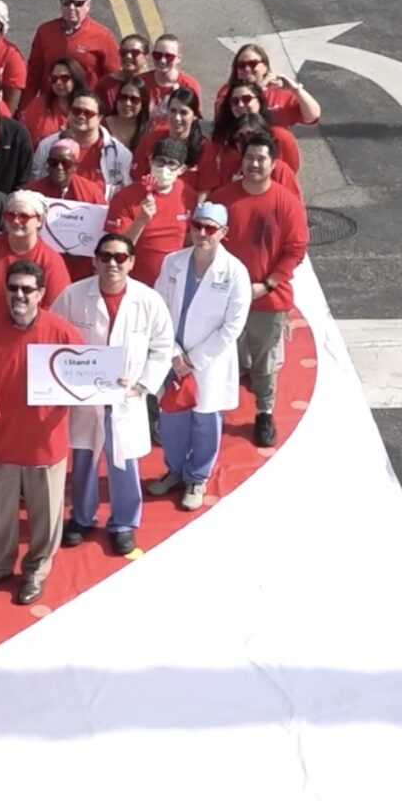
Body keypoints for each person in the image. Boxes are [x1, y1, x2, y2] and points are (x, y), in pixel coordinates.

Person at [54, 234, 176, 558]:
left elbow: (163, 347)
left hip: (126, 397)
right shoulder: (72, 295)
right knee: (83, 459)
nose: (112, 264)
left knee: (125, 464)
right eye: (105, 257)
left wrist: (142, 385)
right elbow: (52, 337)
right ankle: (81, 518)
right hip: (86, 398)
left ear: (131, 262)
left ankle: (123, 523)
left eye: (120, 258)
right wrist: (67, 378)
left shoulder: (148, 301)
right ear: (94, 260)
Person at [0, 260, 82, 604]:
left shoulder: (62, 332)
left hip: (45, 443)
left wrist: (110, 382)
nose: (18, 295)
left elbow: (86, 377)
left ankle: (36, 571)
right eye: (13, 288)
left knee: (46, 518)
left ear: (41, 294)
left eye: (26, 289)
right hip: (1, 441)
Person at [149, 202, 252, 511]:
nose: (202, 234)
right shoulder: (173, 263)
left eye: (210, 228)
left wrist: (193, 359)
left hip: (209, 362)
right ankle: (176, 470)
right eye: (197, 226)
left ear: (223, 233)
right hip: (173, 356)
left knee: (205, 420)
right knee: (171, 420)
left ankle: (198, 476)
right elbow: (159, 309)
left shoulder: (235, 272)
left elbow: (233, 325)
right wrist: (175, 354)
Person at [209, 135, 308, 448]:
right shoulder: (222, 198)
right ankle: (213, 411)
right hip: (224, 299)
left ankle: (264, 412)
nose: (254, 164)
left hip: (267, 300)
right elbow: (208, 240)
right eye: (249, 157)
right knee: (221, 356)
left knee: (264, 363)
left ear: (273, 163)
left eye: (261, 158)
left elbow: (295, 249)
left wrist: (266, 284)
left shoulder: (286, 202)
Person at [104, 137, 200, 287]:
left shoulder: (188, 196)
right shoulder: (125, 198)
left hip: (175, 284)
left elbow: (189, 238)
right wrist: (141, 220)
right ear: (150, 161)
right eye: (160, 161)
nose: (164, 169)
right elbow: (117, 249)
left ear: (182, 170)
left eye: (172, 164)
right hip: (136, 284)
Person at [0, 190, 72, 318]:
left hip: (32, 334)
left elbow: (55, 310)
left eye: (23, 216)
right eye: (11, 215)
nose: (16, 221)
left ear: (39, 220)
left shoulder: (51, 260)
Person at [33, 89, 133, 195]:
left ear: (99, 118)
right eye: (76, 111)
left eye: (88, 113)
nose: (81, 116)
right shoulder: (47, 146)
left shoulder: (120, 154)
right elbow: (35, 180)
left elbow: (125, 192)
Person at [27, 0, 121, 89]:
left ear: (88, 5)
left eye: (78, 4)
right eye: (66, 2)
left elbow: (113, 78)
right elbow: (34, 73)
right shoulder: (45, 31)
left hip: (85, 101)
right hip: (51, 101)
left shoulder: (103, 36)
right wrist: (27, 104)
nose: (71, 8)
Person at [217, 43, 323, 128]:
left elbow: (312, 117)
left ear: (265, 66)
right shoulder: (227, 92)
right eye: (241, 65)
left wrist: (296, 89)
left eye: (253, 64)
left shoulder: (281, 92)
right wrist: (260, 88)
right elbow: (221, 115)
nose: (247, 69)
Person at [19, 57, 91, 145]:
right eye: (54, 78)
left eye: (64, 78)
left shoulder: (88, 107)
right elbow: (21, 137)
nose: (58, 82)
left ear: (76, 79)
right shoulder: (38, 105)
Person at [24, 136, 103, 203]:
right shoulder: (31, 192)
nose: (59, 167)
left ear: (75, 166)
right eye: (53, 162)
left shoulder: (92, 193)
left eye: (65, 163)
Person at [143, 34, 203, 118]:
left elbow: (195, 118)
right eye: (157, 55)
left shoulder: (190, 85)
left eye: (169, 56)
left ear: (178, 58)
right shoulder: (141, 82)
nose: (162, 61)